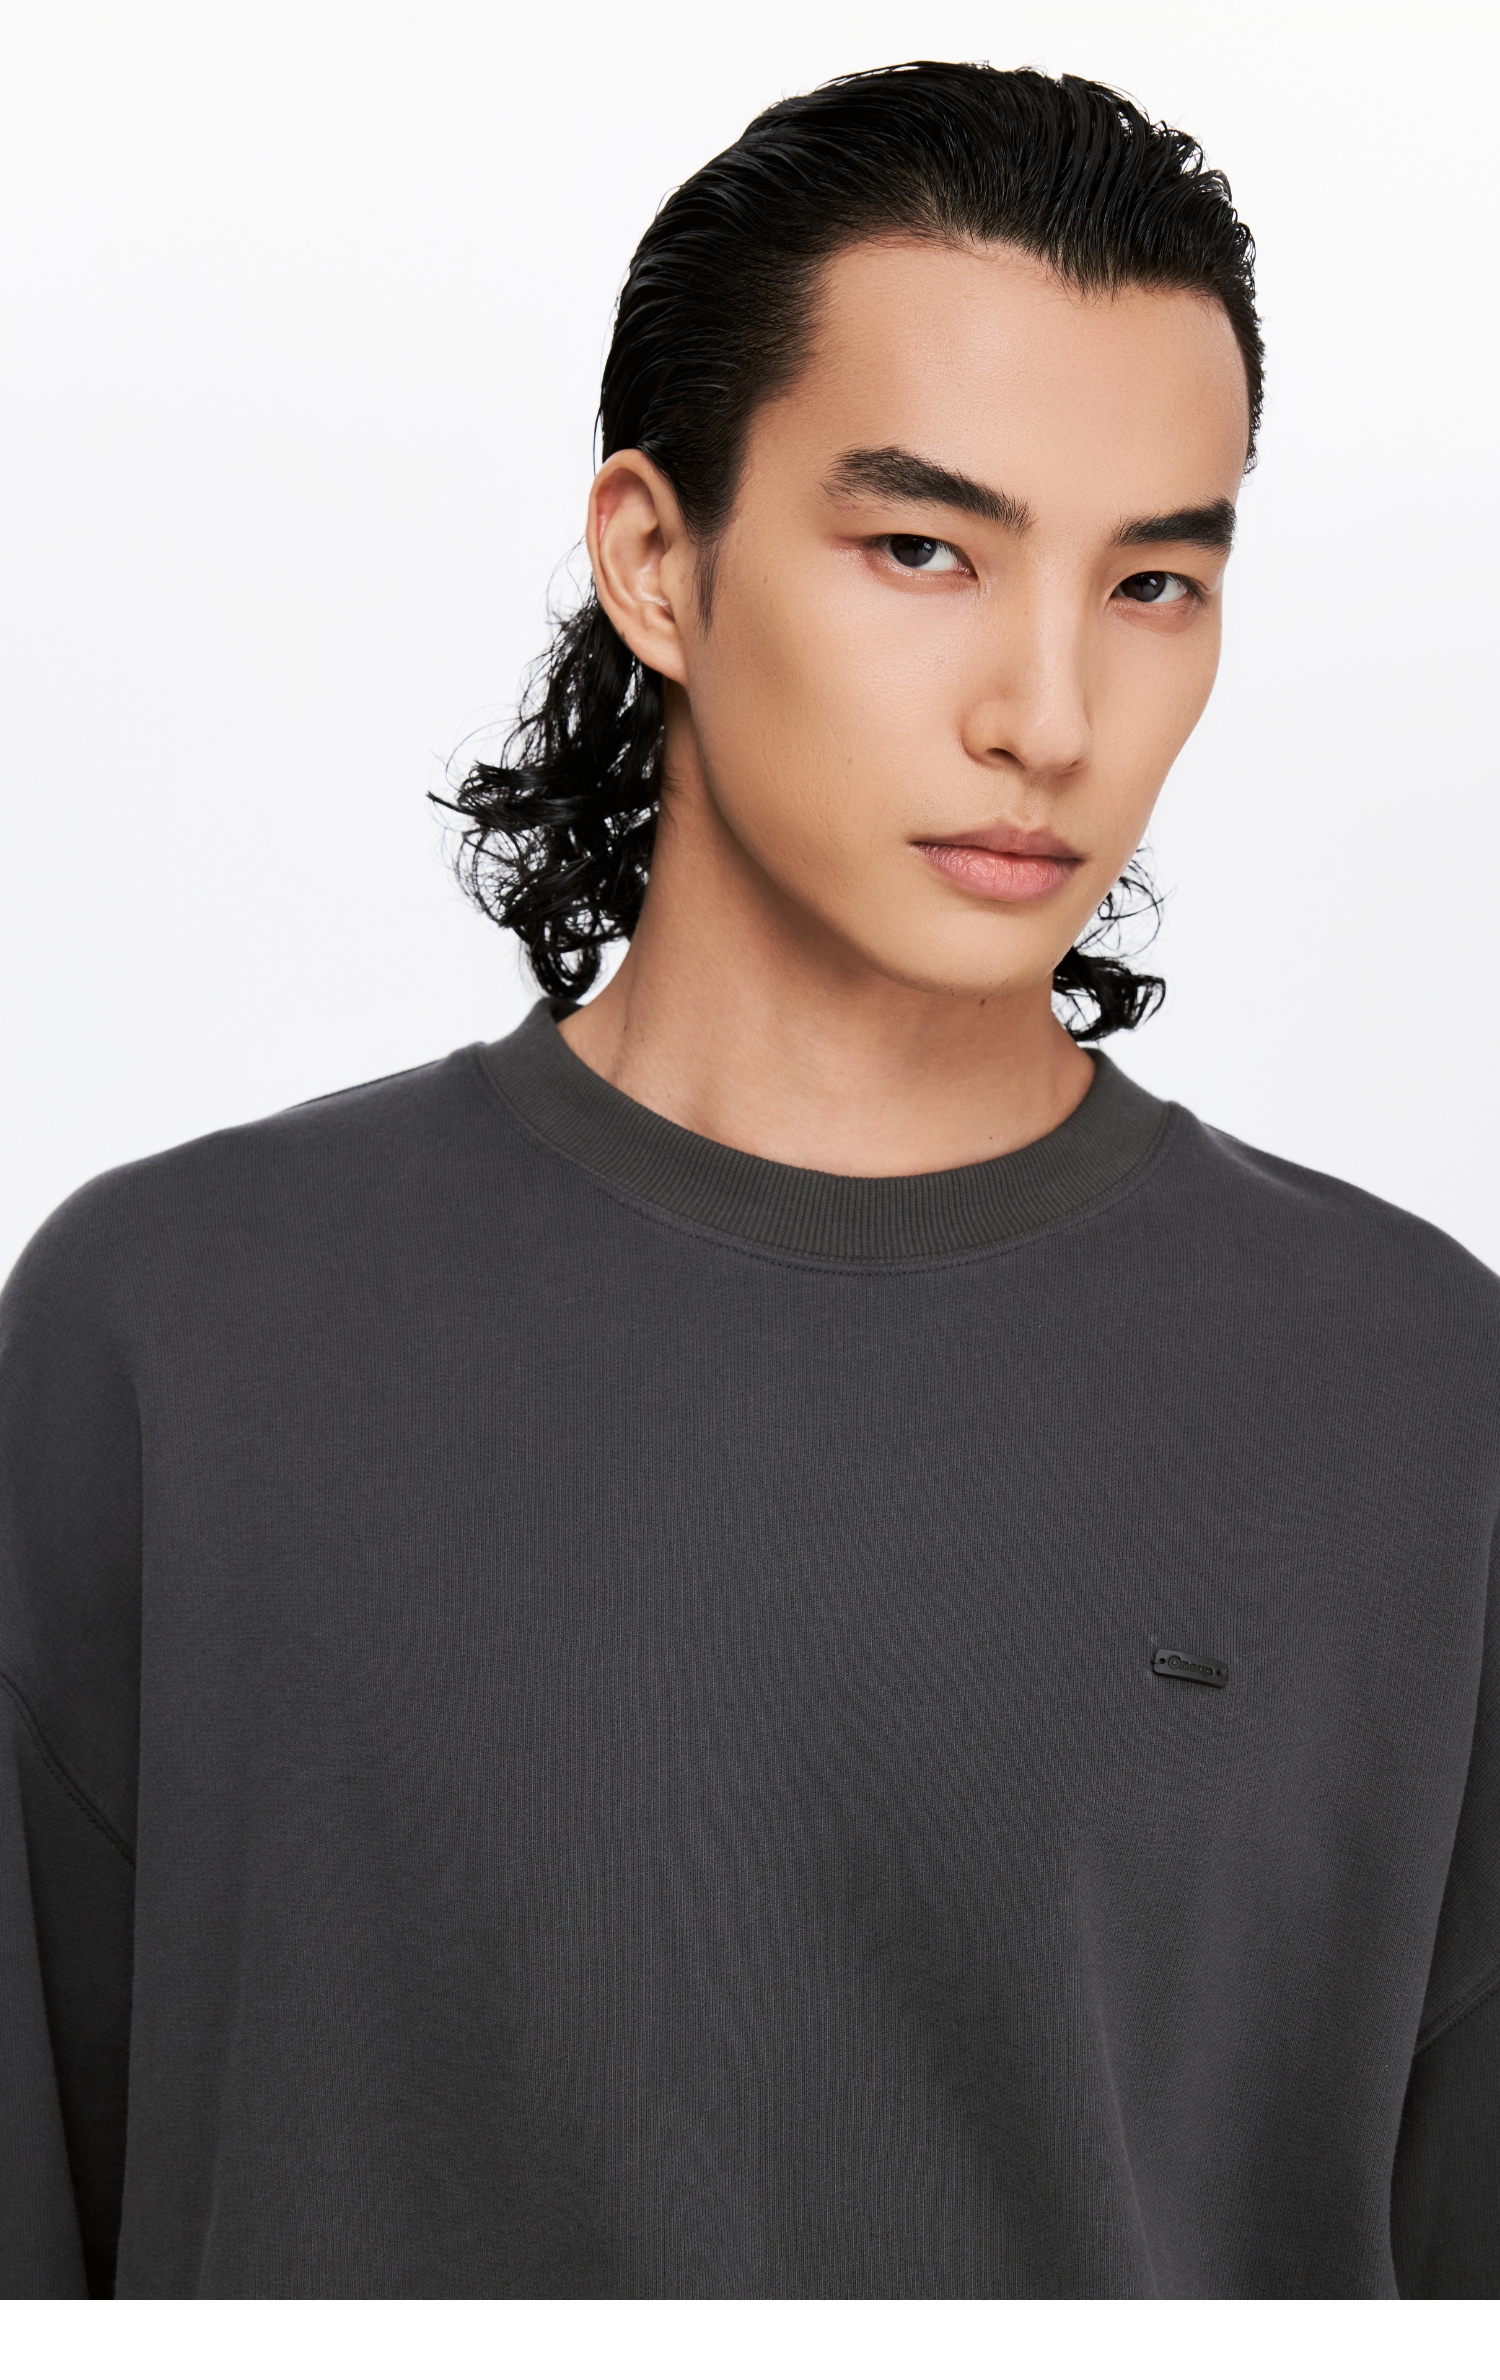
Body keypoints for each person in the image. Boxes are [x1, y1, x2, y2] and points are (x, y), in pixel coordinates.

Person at [1, 60, 1495, 2302]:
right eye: (924, 549)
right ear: (655, 561)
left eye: (1154, 580)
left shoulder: (1422, 1396)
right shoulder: (172, 1336)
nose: (1051, 712)